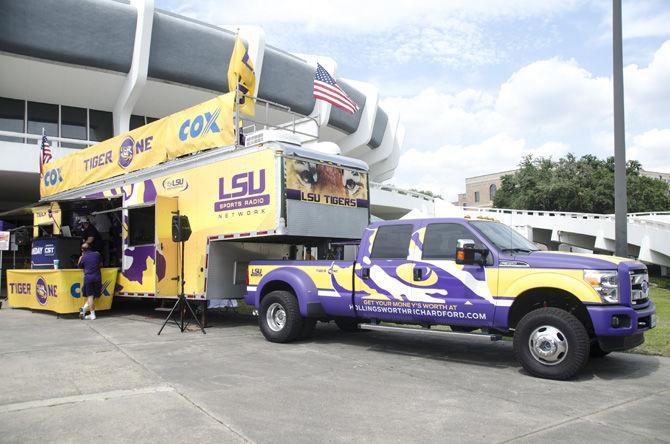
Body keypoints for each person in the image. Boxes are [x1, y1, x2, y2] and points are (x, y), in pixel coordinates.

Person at [78, 242, 102, 320]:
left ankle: (92, 314)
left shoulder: (83, 257)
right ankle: (84, 309)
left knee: (90, 296)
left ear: (82, 250)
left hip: (88, 278)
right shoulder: (97, 254)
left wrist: (80, 258)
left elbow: (79, 267)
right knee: (94, 295)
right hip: (97, 277)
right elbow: (101, 263)